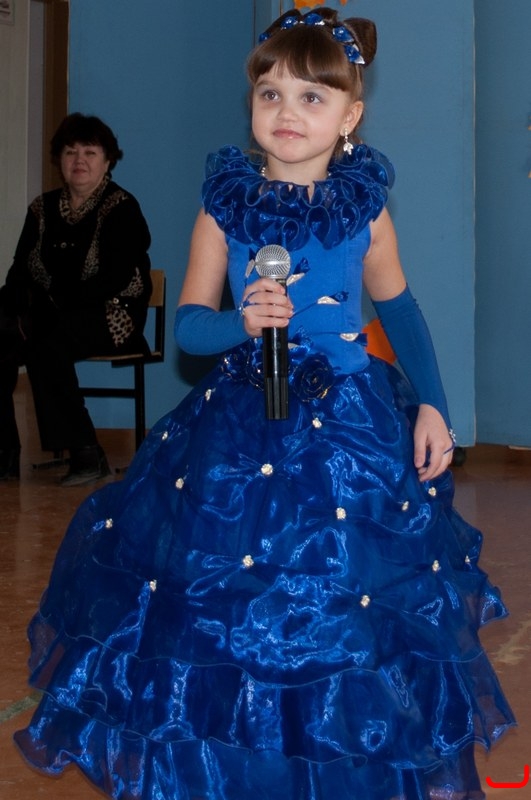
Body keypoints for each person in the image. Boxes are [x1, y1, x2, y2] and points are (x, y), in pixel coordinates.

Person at [14, 9, 514, 799]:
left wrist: (433, 409)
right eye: (270, 93)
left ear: (349, 117)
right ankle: (228, 759)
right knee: (224, 597)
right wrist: (239, 323)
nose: (287, 111)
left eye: (312, 97)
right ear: (250, 104)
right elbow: (188, 327)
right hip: (240, 423)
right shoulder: (224, 207)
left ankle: (336, 754)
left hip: (347, 429)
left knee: (339, 591)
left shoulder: (363, 210)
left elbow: (400, 312)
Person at [0, 113, 151, 486]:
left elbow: (112, 279)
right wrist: (11, 309)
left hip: (113, 315)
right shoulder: (41, 209)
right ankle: (5, 452)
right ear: (59, 160)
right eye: (70, 152)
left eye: (89, 152)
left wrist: (45, 309)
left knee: (45, 342)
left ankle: (87, 453)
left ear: (107, 160)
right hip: (52, 315)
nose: (79, 160)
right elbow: (20, 271)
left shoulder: (122, 207)